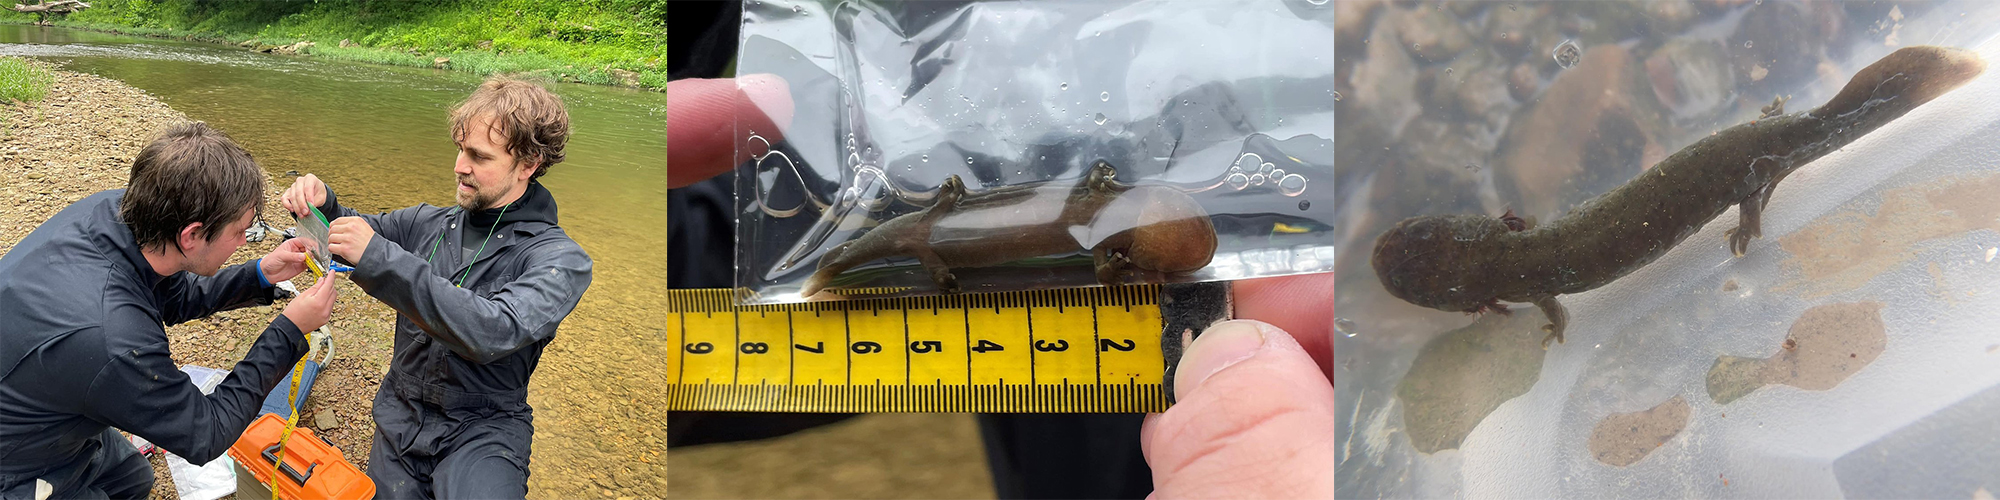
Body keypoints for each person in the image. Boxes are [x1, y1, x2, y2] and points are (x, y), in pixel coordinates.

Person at [668, 75, 1337, 499]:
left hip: (955, 239)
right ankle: (828, 275)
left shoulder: (1109, 203)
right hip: (942, 242)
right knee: (864, 263)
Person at [279, 76, 593, 499]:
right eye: (461, 149)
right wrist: (325, 203)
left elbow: (493, 331)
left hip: (484, 430)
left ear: (528, 163)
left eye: (479, 156)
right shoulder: (428, 223)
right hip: (400, 416)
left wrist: (380, 258)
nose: (460, 166)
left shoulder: (560, 260)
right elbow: (359, 230)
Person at [0, 122, 339, 499]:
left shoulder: (121, 211)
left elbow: (174, 295)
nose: (246, 241)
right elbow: (205, 434)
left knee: (134, 478)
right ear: (192, 235)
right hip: (18, 459)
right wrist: (288, 332)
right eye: (241, 231)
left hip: (53, 399)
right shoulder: (114, 340)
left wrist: (260, 273)